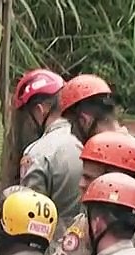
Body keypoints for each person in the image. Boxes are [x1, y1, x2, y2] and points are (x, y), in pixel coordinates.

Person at [58, 74, 135, 205]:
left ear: (84, 120)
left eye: (72, 124)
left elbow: (123, 219)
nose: (72, 133)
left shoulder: (126, 160)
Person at [13, 69, 83, 221]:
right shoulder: (85, 141)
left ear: (39, 111)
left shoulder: (37, 153)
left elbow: (28, 214)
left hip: (50, 241)